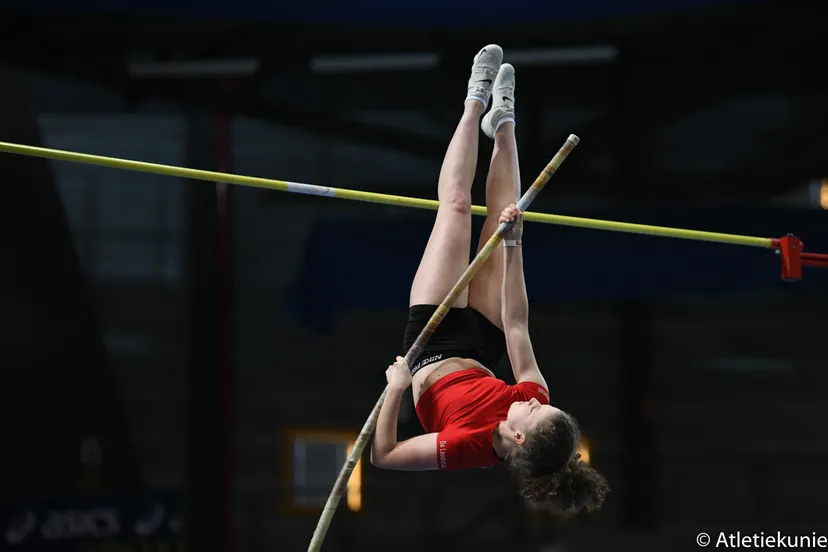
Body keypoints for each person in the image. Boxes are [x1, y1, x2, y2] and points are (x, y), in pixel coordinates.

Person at [369, 45, 609, 517]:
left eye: (538, 412)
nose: (540, 401)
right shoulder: (532, 398)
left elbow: (385, 456)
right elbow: (517, 324)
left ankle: (474, 99)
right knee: (502, 226)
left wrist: (397, 386)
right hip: (482, 341)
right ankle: (504, 121)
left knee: (457, 207)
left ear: (518, 435)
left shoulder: (465, 448)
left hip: (430, 344)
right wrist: (515, 244)